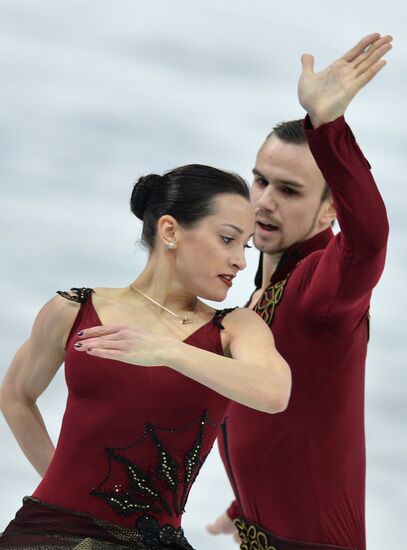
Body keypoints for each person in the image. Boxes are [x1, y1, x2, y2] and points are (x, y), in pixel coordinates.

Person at [0, 164, 291, 549]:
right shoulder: (73, 309)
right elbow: (15, 396)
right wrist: (60, 486)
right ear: (170, 231)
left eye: (246, 246)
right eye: (227, 239)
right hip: (46, 533)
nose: (240, 260)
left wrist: (167, 350)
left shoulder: (234, 328)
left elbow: (274, 392)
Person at [207, 33, 392, 550]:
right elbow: (285, 427)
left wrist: (328, 127)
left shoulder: (320, 292)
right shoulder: (260, 294)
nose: (264, 202)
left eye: (288, 190)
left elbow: (370, 241)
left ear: (330, 210)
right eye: (260, 180)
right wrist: (240, 508)